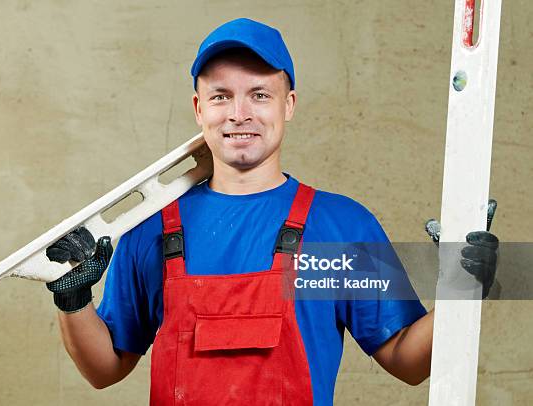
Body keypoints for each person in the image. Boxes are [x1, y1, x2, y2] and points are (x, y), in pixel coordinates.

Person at [44, 18, 499, 405]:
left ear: (289, 104)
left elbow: (406, 360)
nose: (239, 113)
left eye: (260, 94)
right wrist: (72, 299)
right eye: (221, 96)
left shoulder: (340, 228)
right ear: (199, 109)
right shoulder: (150, 228)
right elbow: (105, 369)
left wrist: (462, 291)